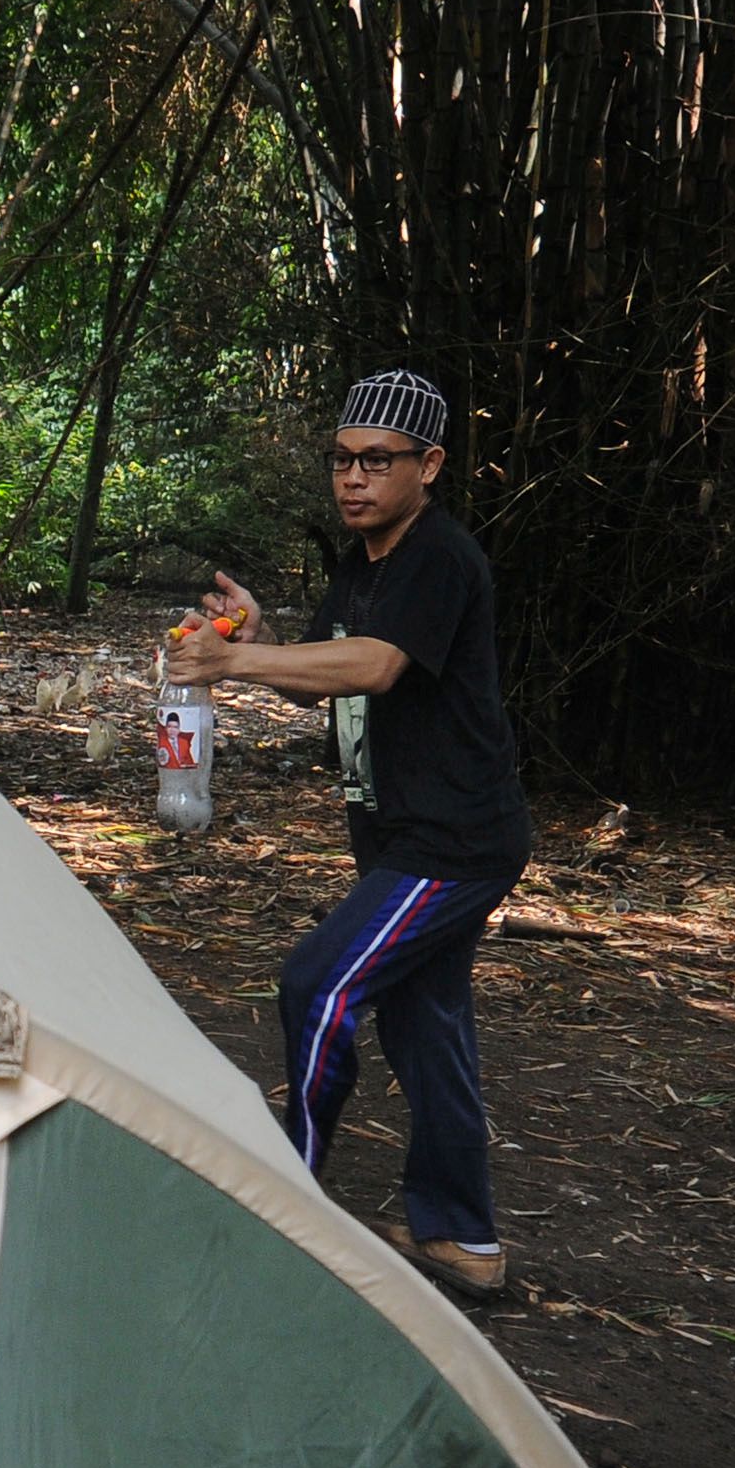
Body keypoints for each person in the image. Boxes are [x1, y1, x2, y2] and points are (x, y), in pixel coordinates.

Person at [162, 368, 531, 1302]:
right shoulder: (363, 563)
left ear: (430, 465)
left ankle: (291, 1197)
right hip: (403, 836)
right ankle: (463, 1238)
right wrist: (258, 638)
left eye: (378, 460)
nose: (353, 479)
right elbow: (317, 675)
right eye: (341, 460)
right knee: (426, 1027)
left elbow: (373, 665)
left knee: (316, 983)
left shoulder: (439, 559)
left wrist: (233, 656)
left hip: (450, 844)